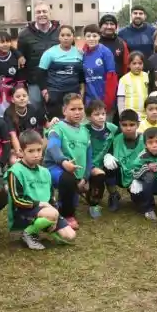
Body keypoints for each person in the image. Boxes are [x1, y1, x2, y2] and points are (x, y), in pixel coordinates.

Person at [6, 130, 77, 250]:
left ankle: (45, 224)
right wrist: (40, 204)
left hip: (46, 210)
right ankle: (27, 233)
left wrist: (55, 215)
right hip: (24, 210)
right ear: (21, 152)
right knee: (51, 214)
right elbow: (17, 200)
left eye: (39, 150)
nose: (36, 155)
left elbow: (51, 197)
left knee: (70, 236)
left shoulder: (45, 172)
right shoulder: (15, 172)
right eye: (30, 151)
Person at [44, 94, 92, 229]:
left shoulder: (85, 131)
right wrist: (63, 162)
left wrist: (85, 177)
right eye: (73, 109)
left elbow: (89, 156)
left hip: (77, 173)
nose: (77, 112)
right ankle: (66, 216)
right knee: (67, 179)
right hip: (55, 168)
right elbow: (52, 147)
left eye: (80, 108)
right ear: (64, 110)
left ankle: (61, 206)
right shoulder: (57, 127)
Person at [18, 2, 61, 110]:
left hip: (56, 80)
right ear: (34, 15)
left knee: (56, 112)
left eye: (44, 11)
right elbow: (20, 58)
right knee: (35, 111)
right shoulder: (24, 35)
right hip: (34, 82)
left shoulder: (61, 32)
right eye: (38, 12)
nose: (41, 14)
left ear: (50, 13)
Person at [38, 25, 85, 121]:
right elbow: (40, 74)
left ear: (73, 37)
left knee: (73, 122)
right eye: (63, 35)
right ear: (59, 37)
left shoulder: (79, 53)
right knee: (56, 122)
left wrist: (82, 91)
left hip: (73, 93)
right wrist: (45, 93)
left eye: (68, 35)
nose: (66, 38)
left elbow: (81, 75)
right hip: (54, 94)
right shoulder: (49, 53)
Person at [103, 109, 145, 213]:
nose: (128, 128)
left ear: (138, 125)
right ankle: (113, 195)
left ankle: (140, 196)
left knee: (138, 200)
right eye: (124, 125)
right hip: (120, 173)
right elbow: (109, 154)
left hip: (138, 175)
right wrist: (107, 155)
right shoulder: (116, 139)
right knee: (108, 166)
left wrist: (139, 178)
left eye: (132, 125)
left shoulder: (145, 140)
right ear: (120, 125)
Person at [128, 127, 157, 222]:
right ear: (145, 144)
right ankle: (148, 208)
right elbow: (133, 173)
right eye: (150, 142)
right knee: (149, 176)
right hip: (146, 185)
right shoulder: (142, 156)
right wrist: (146, 167)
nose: (154, 145)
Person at [85, 100, 118, 219]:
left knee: (112, 167)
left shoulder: (113, 128)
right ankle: (94, 203)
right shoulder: (84, 129)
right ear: (89, 117)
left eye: (103, 114)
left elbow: (120, 143)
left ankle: (113, 194)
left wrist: (111, 155)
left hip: (105, 161)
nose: (101, 117)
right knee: (98, 178)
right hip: (89, 163)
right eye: (97, 114)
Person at [0, 31, 26, 117]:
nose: (5, 44)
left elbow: (20, 79)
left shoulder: (16, 58)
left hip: (11, 96)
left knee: (10, 118)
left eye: (7, 42)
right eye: (2, 42)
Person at [81, 24, 118, 113]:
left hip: (103, 99)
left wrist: (108, 101)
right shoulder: (83, 53)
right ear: (85, 38)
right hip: (89, 100)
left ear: (99, 36)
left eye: (94, 36)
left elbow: (111, 78)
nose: (91, 38)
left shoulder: (105, 52)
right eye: (88, 36)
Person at [5, 85, 43, 160]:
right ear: (12, 99)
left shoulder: (33, 109)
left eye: (24, 96)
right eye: (18, 97)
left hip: (32, 143)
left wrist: (54, 121)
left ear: (28, 97)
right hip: (18, 146)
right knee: (15, 161)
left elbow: (44, 125)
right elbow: (13, 136)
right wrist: (19, 152)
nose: (22, 98)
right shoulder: (8, 113)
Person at [118, 53, 149, 120]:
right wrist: (122, 116)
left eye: (140, 63)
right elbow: (121, 100)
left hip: (145, 117)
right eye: (134, 63)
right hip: (130, 117)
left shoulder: (147, 76)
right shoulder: (124, 79)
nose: (137, 66)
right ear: (129, 65)